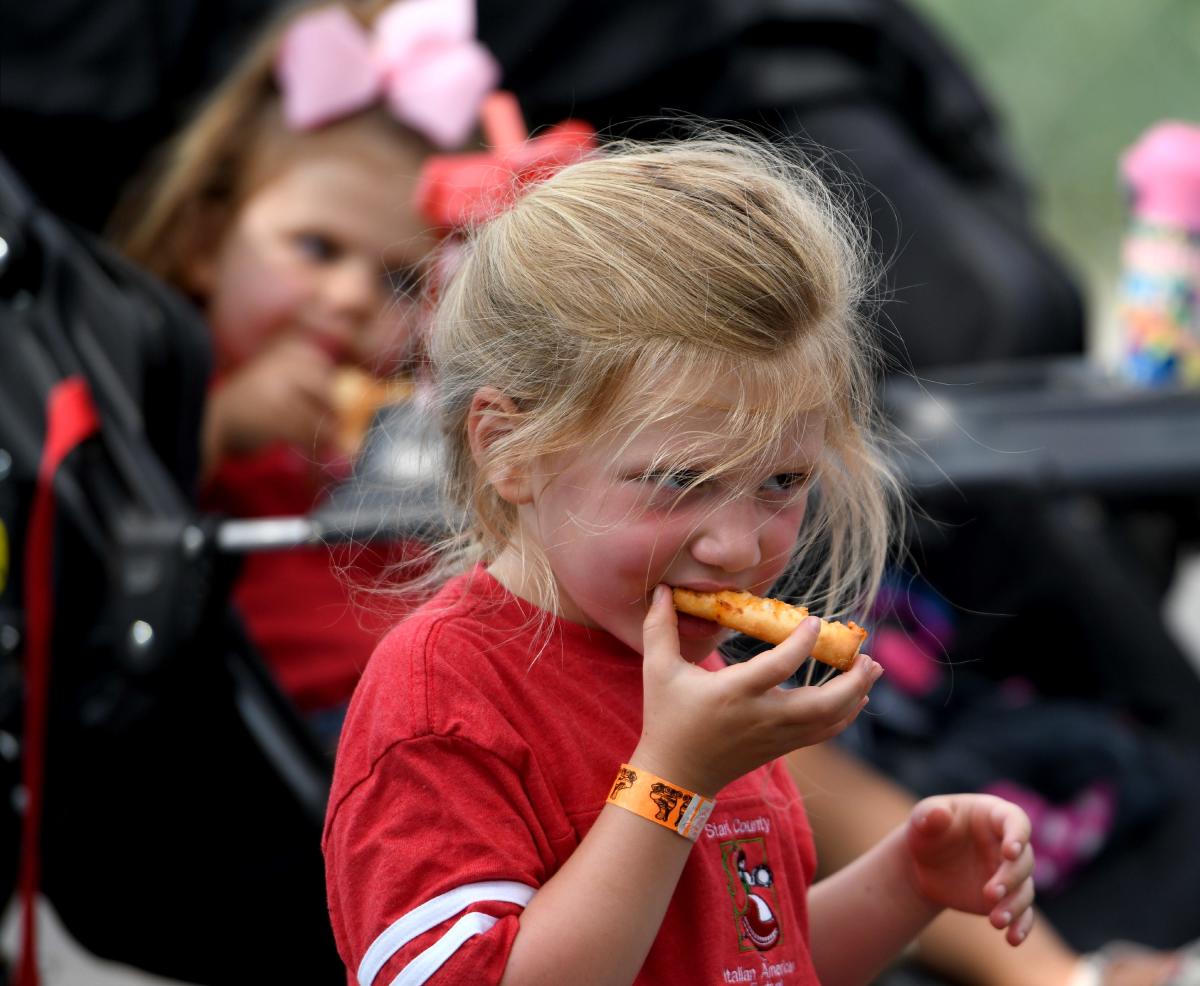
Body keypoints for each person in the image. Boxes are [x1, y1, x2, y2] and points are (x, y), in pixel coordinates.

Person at [323, 136, 1036, 985]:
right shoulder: (447, 694)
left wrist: (905, 883)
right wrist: (672, 782)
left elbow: (740, 955)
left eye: (781, 480)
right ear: (508, 447)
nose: (737, 546)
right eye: (676, 480)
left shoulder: (694, 682)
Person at [111, 0, 501, 727]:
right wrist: (220, 424)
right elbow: (98, 516)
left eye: (398, 280)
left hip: (434, 697)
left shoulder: (417, 412)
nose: (352, 297)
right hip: (265, 731)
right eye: (317, 249)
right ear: (205, 243)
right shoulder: (158, 377)